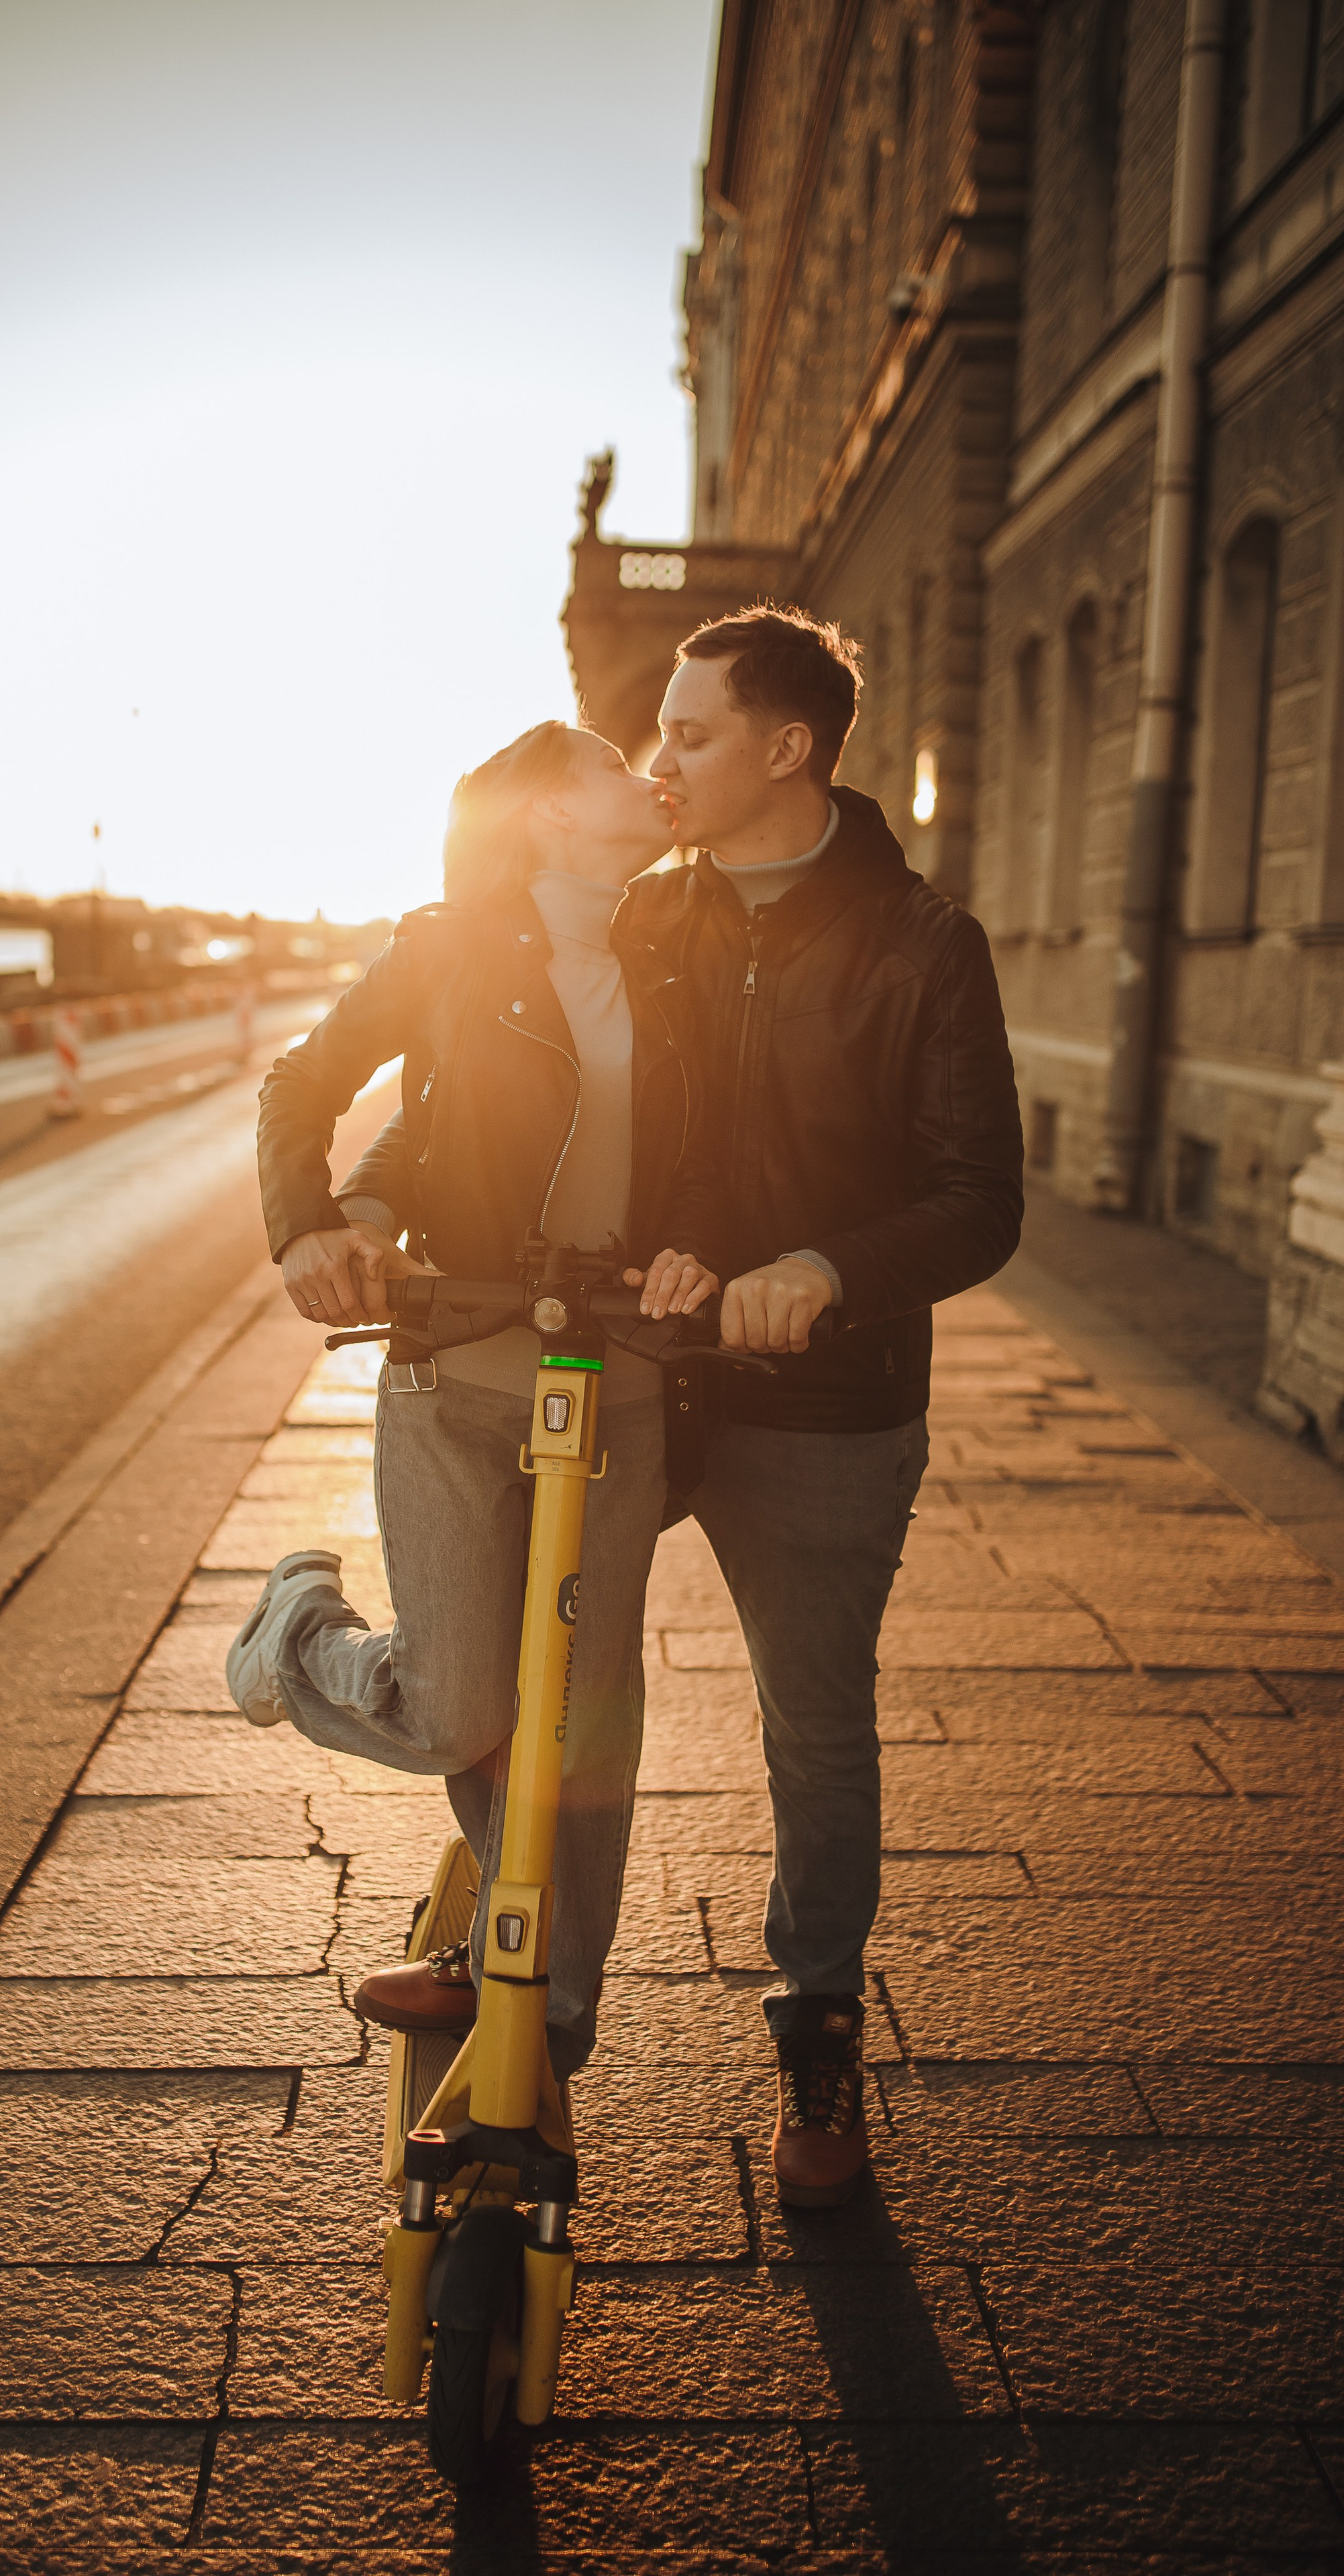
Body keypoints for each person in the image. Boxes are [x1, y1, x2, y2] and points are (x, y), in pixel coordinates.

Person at [343, 607, 1025, 2205]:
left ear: (785, 751)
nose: (657, 765)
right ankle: (507, 1949)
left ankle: (815, 2032)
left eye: (692, 735)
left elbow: (978, 1202)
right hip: (626, 1377)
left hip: (816, 1403)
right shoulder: (645, 914)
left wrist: (820, 1268)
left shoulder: (923, 944)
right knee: (532, 1680)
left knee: (812, 1726)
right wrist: (372, 1199)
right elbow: (465, 1090)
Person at [226, 720, 721, 2083]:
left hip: (619, 1386)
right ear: (549, 819)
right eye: (619, 769)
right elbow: (302, 1084)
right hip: (455, 1377)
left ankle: (543, 2023)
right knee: (459, 1711)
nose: (651, 778)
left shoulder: (671, 953)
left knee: (583, 1721)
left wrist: (700, 1246)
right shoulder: (446, 950)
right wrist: (311, 1226)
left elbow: (709, 1153)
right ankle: (299, 1632)